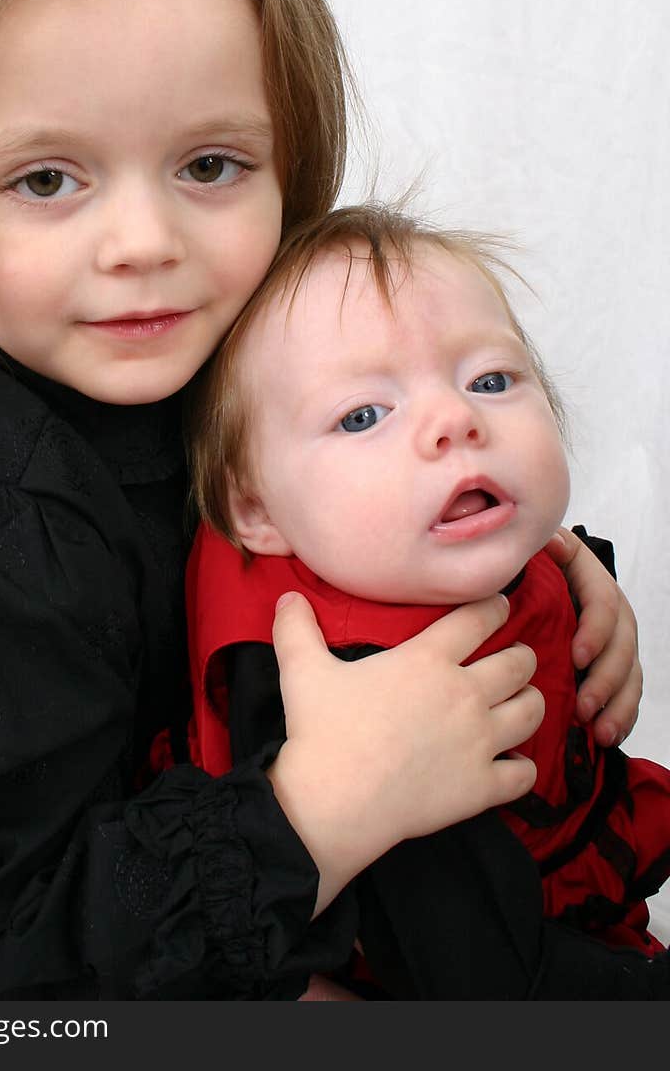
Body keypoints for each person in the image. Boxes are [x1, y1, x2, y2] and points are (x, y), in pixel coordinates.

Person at [0, 0, 642, 1002]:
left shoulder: (231, 342)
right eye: (46, 178)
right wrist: (310, 815)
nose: (145, 244)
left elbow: (368, 492)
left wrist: (550, 570)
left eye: (209, 166)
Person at [186, 203, 670, 998]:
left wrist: (579, 564)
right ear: (258, 513)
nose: (456, 419)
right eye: (364, 415)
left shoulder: (402, 549)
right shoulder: (357, 703)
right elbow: (478, 978)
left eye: (491, 379)